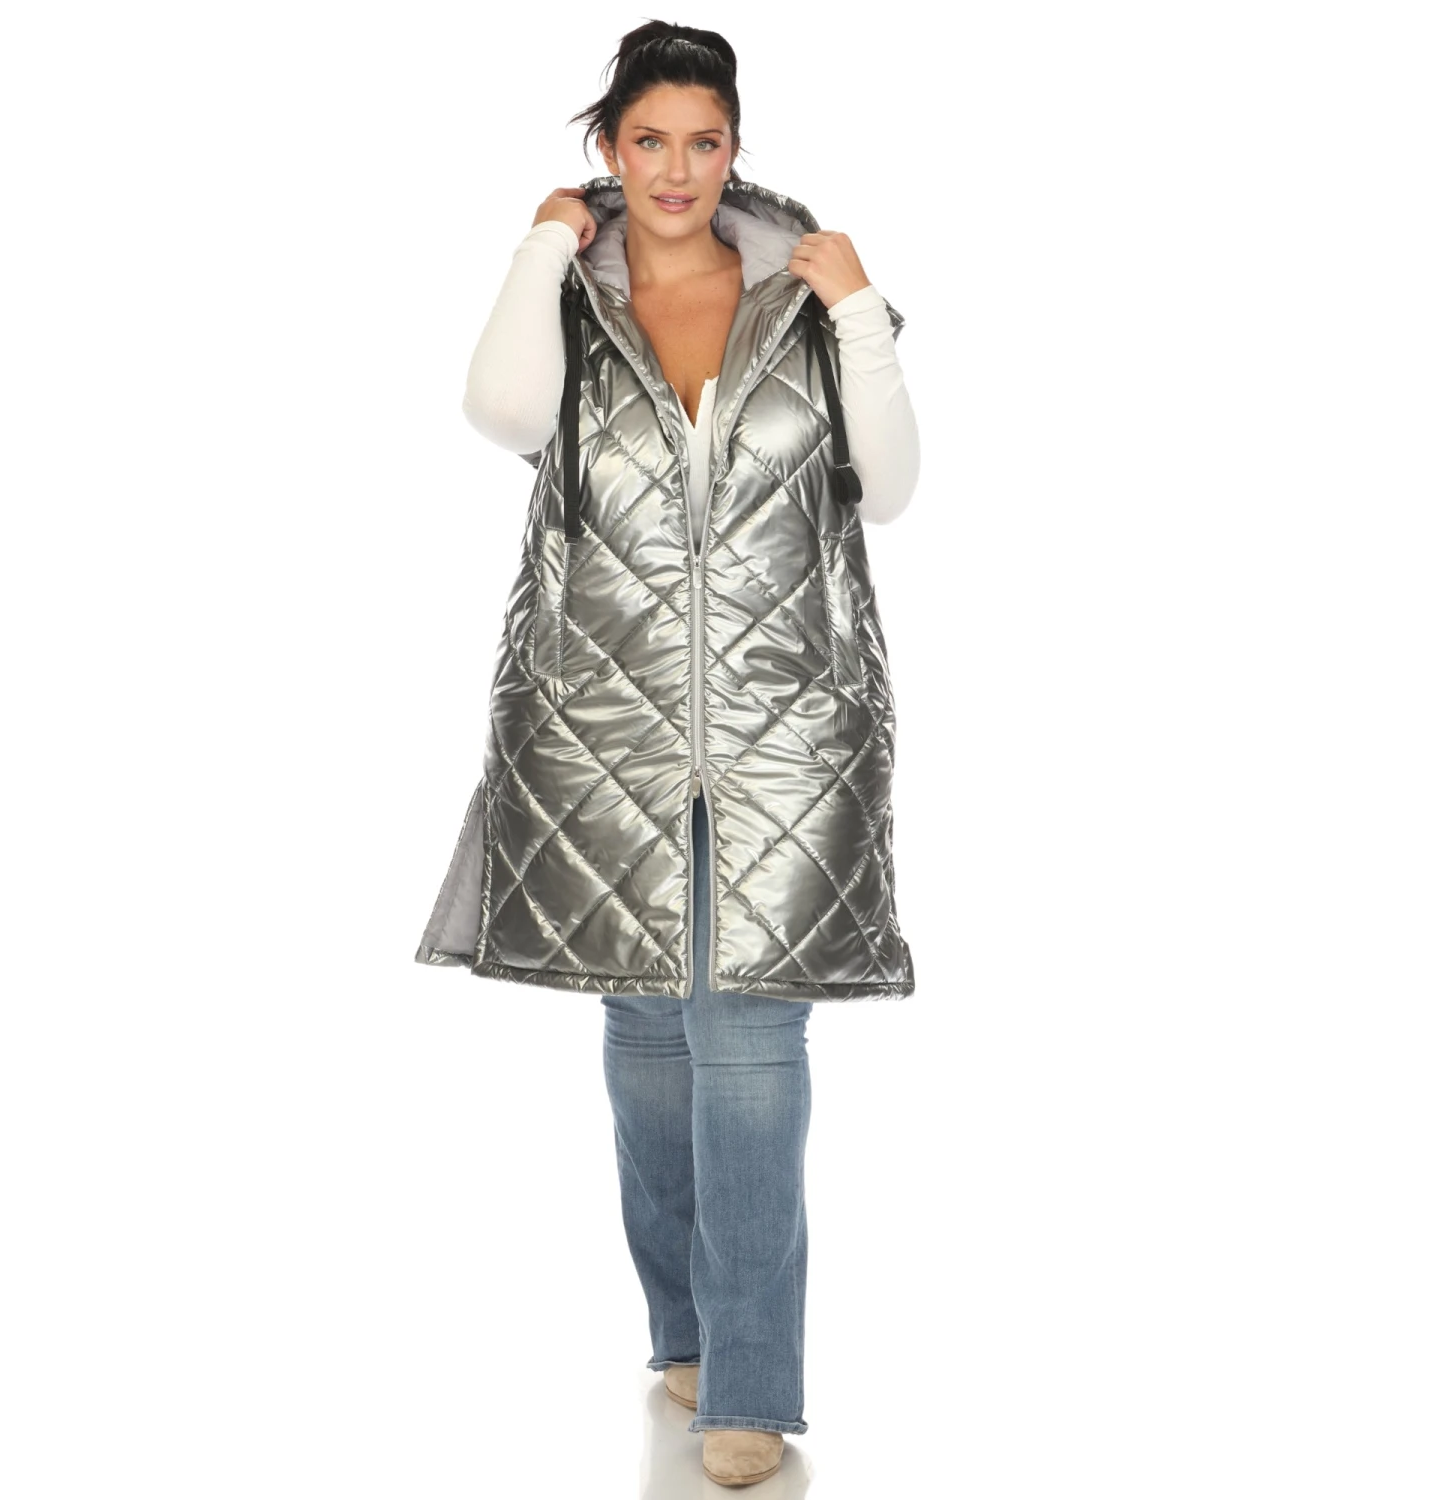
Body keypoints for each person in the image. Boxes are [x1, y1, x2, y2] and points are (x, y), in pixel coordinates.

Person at [416, 19, 920, 1487]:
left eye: (705, 141)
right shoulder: (569, 301)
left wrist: (863, 309)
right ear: (609, 151)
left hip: (792, 727)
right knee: (646, 1040)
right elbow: (501, 411)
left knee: (749, 1042)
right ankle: (686, 1330)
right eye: (650, 141)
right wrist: (538, 244)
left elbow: (888, 489)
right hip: (599, 723)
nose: (678, 169)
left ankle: (749, 1387)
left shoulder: (806, 300)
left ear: (736, 149)